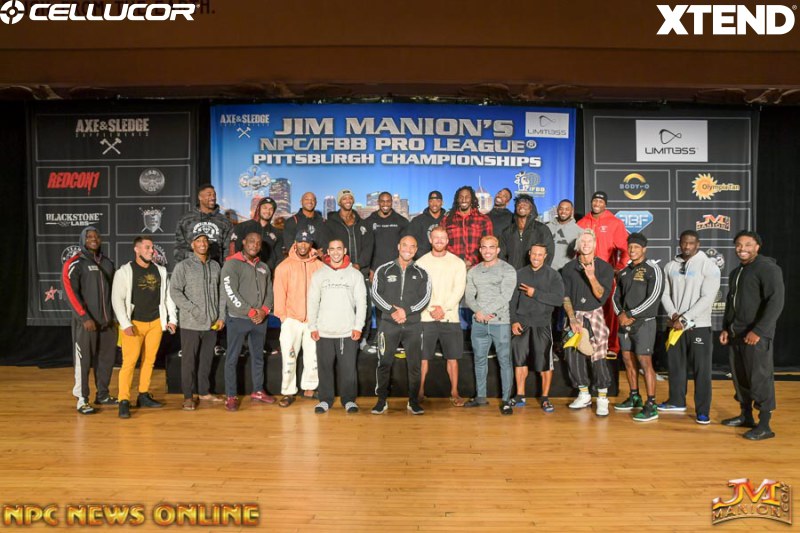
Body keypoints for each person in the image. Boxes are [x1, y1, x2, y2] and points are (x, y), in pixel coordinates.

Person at [720, 230, 785, 441]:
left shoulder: (768, 268)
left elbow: (776, 301)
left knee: (760, 379)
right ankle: (746, 416)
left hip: (756, 336)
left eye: (748, 245)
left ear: (757, 247)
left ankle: (764, 425)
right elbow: (731, 303)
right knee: (740, 378)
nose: (742, 249)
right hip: (736, 334)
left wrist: (759, 331)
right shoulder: (736, 272)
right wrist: (725, 327)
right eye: (739, 245)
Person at [658, 230, 721, 424]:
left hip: (698, 326)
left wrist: (685, 318)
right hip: (675, 326)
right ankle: (677, 401)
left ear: (698, 244)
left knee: (702, 371)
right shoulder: (670, 266)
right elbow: (664, 294)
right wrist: (673, 315)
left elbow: (708, 297)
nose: (687, 246)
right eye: (684, 243)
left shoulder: (709, 266)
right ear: (680, 243)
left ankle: (703, 410)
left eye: (691, 243)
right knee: (676, 366)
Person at [111, 236, 178, 419]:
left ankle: (143, 394)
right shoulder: (124, 272)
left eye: (152, 248)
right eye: (147, 247)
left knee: (149, 361)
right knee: (129, 363)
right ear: (137, 249)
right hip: (134, 324)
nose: (151, 251)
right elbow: (117, 300)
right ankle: (124, 400)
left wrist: (172, 319)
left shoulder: (160, 271)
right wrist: (125, 324)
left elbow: (168, 297)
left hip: (155, 322)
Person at [370, 236, 431, 415]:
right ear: (398, 246)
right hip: (389, 324)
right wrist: (392, 311)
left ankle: (413, 402)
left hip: (413, 326)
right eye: (405, 245)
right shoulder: (384, 269)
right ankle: (381, 401)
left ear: (416, 250)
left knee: (414, 366)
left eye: (412, 246)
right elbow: (375, 294)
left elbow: (425, 298)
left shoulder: (422, 273)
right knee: (384, 363)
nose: (408, 249)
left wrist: (407, 311)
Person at [307, 238, 368, 414]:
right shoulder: (319, 274)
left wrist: (358, 326)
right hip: (324, 331)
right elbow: (312, 302)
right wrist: (313, 326)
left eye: (339, 248)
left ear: (345, 250)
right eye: (332, 249)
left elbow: (362, 303)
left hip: (347, 331)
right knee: (325, 368)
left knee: (348, 369)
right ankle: (325, 400)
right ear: (327, 252)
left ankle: (349, 400)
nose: (335, 252)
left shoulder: (355, 275)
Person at [62, 226, 117, 414]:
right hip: (86, 324)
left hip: (107, 323)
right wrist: (84, 317)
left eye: (96, 236)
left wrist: (114, 317)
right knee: (83, 362)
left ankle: (103, 395)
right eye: (89, 236)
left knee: (106, 361)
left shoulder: (107, 263)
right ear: (83, 240)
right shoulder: (75, 263)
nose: (93, 239)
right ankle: (82, 399)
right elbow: (70, 292)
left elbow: (115, 293)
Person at [169, 231, 225, 411]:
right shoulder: (183, 266)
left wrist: (221, 316)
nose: (202, 243)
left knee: (206, 360)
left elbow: (222, 294)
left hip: (211, 324)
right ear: (192, 245)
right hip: (191, 323)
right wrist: (193, 309)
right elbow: (175, 291)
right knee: (189, 361)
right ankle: (188, 397)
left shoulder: (215, 266)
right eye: (198, 240)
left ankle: (204, 392)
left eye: (205, 240)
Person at [561, 229, 615, 416]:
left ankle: (602, 398)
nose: (585, 244)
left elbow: (601, 296)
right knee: (572, 354)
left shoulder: (604, 268)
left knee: (598, 356)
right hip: (575, 316)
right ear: (577, 245)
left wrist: (591, 276)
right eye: (582, 241)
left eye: (589, 241)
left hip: (594, 316)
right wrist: (572, 319)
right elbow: (565, 296)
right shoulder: (568, 268)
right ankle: (583, 394)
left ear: (595, 244)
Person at [220, 232, 275, 412]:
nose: (255, 245)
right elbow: (230, 292)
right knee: (232, 358)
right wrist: (250, 311)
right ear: (243, 242)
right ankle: (231, 395)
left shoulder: (264, 267)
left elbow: (269, 292)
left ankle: (258, 390)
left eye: (258, 243)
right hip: (238, 319)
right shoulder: (231, 264)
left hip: (260, 320)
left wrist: (264, 310)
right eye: (251, 241)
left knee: (258, 356)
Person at [612, 233, 664, 422]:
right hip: (625, 323)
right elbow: (615, 297)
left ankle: (651, 404)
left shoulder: (653, 269)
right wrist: (620, 314)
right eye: (630, 247)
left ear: (644, 249)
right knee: (627, 359)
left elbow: (654, 297)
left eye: (636, 247)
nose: (632, 250)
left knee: (644, 361)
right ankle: (635, 396)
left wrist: (631, 314)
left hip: (644, 323)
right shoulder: (624, 272)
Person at [464, 235, 517, 415]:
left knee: (504, 361)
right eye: (484, 247)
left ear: (498, 249)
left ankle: (506, 400)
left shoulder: (507, 269)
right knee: (479, 360)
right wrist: (479, 312)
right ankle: (480, 397)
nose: (488, 251)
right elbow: (469, 296)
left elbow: (505, 296)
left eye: (491, 247)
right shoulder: (474, 271)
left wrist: (486, 312)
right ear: (480, 250)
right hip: (479, 323)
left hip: (500, 323)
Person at [510, 243, 565, 413]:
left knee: (545, 364)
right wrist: (513, 321)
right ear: (529, 254)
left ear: (545, 256)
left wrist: (535, 294)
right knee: (519, 361)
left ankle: (545, 398)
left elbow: (558, 300)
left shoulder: (553, 275)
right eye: (534, 254)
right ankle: (520, 396)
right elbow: (512, 301)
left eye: (540, 255)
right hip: (521, 324)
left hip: (542, 324)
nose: (536, 257)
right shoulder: (519, 274)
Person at [416, 227, 468, 406]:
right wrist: (431, 309)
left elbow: (459, 289)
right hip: (426, 317)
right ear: (430, 240)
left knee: (452, 358)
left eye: (442, 238)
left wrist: (443, 309)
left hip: (450, 317)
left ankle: (454, 392)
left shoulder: (457, 263)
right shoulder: (420, 263)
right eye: (435, 237)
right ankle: (419, 391)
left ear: (448, 240)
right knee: (423, 357)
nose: (439, 240)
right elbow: (419, 291)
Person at [273, 230, 324, 407]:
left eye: (306, 242)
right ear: (295, 243)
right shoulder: (284, 266)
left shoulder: (319, 266)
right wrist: (283, 317)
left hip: (312, 320)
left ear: (311, 245)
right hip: (291, 319)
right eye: (300, 242)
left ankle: (309, 388)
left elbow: (323, 293)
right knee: (289, 356)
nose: (303, 245)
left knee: (312, 356)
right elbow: (279, 293)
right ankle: (288, 391)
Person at [577, 191, 629, 358]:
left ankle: (612, 346)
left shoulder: (615, 223)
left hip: (606, 273)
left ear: (605, 204)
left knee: (609, 310)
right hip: (584, 273)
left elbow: (626, 249)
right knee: (585, 309)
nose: (597, 204)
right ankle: (589, 343)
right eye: (595, 201)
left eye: (601, 201)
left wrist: (619, 267)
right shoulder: (582, 222)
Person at [324, 189, 374, 348]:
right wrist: (340, 265)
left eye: (350, 198)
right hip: (339, 272)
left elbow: (369, 247)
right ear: (339, 202)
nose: (347, 200)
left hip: (360, 271)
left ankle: (363, 339)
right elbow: (327, 246)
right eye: (344, 198)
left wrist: (359, 264)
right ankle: (342, 339)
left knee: (364, 306)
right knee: (341, 307)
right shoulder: (330, 224)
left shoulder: (363, 223)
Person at [175, 183, 233, 264]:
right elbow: (180, 247)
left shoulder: (224, 221)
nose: (213, 197)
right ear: (200, 197)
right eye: (209, 195)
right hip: (191, 267)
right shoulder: (186, 219)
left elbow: (227, 250)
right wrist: (182, 267)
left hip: (216, 267)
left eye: (214, 195)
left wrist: (224, 268)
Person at [441, 186, 493, 267]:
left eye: (467, 197)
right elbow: (442, 243)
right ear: (457, 200)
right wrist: (458, 260)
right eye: (461, 197)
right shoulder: (446, 220)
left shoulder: (484, 219)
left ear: (472, 199)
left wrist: (471, 260)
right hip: (452, 266)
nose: (464, 200)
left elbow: (488, 244)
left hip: (477, 267)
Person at [229, 197, 283, 273]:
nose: (268, 211)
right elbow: (234, 251)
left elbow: (279, 257)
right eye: (265, 208)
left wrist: (275, 273)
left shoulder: (277, 233)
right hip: (245, 272)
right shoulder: (242, 227)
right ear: (258, 208)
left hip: (267, 274)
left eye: (271, 209)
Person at [500, 194, 554, 270]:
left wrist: (540, 272)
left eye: (526, 204)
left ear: (531, 208)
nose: (522, 206)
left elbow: (549, 254)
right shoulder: (507, 231)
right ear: (515, 208)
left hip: (534, 274)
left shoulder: (542, 229)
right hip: (512, 274)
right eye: (519, 204)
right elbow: (501, 256)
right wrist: (507, 272)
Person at [366, 191, 409, 274]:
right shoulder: (369, 222)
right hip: (375, 269)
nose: (385, 204)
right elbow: (366, 248)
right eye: (382, 201)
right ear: (378, 202)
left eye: (388, 201)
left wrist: (404, 265)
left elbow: (406, 246)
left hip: (397, 268)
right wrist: (370, 269)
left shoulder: (402, 222)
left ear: (391, 202)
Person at [407, 190, 446, 258]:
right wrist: (419, 256)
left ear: (442, 203)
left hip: (443, 260)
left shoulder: (447, 220)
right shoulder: (417, 220)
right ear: (428, 202)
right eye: (431, 201)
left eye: (438, 201)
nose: (434, 204)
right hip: (422, 260)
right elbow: (409, 240)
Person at [546, 199, 582, 271]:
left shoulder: (579, 231)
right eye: (561, 209)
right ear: (557, 210)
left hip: (567, 271)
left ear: (572, 211)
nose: (563, 212)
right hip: (548, 270)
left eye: (567, 209)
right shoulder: (547, 227)